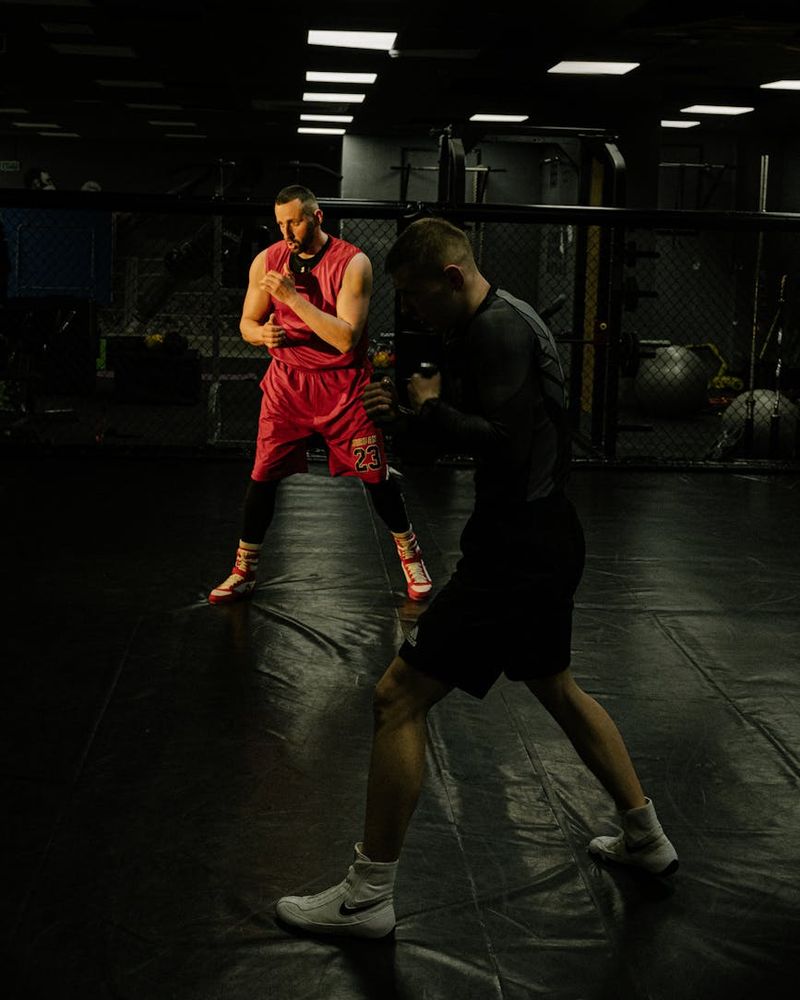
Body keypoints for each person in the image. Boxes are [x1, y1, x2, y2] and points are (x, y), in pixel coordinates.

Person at [275, 217, 678, 939]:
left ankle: (368, 896)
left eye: (421, 297)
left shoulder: (498, 332)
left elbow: (505, 444)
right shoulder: (507, 316)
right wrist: (416, 416)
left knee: (396, 698)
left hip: (517, 551)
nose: (418, 312)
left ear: (454, 276)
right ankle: (645, 837)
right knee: (555, 685)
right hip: (549, 533)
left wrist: (419, 415)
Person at [209, 185, 432, 605]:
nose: (287, 231)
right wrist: (261, 334)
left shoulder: (353, 263)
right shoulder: (268, 261)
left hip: (344, 389)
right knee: (262, 477)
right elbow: (246, 322)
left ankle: (411, 556)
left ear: (317, 217)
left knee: (376, 477)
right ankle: (244, 570)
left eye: (294, 221)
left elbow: (346, 339)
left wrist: (292, 299)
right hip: (287, 386)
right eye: (280, 223)